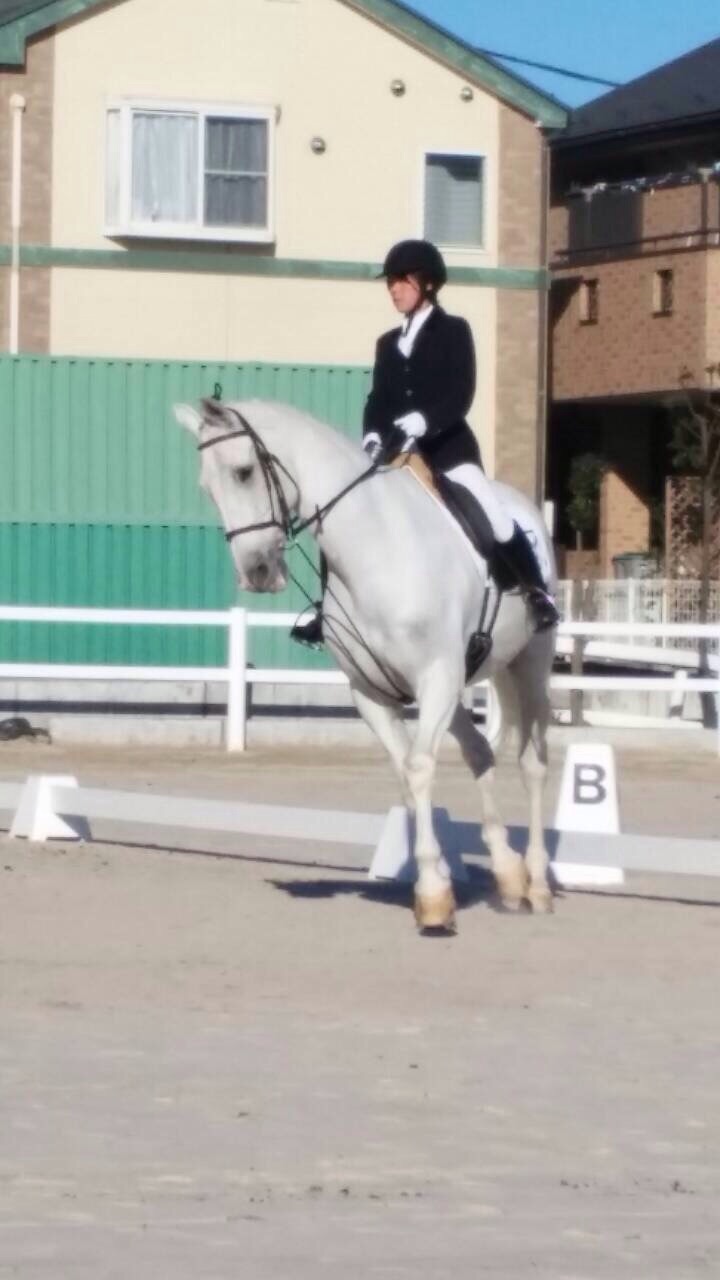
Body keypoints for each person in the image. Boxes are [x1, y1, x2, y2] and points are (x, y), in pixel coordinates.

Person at [291, 238, 558, 648]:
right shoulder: (387, 343)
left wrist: (426, 420)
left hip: (448, 452)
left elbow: (461, 391)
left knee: (493, 513)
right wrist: (373, 432)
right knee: (344, 512)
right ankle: (328, 610)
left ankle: (536, 593)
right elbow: (378, 398)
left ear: (427, 283)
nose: (394, 289)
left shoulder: (454, 331)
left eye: (402, 280)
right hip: (396, 453)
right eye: (391, 282)